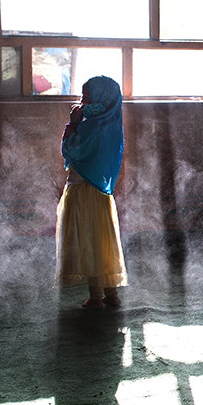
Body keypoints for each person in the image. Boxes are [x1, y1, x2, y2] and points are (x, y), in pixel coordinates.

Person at [56, 74, 127, 309]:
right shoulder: (111, 124)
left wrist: (73, 123)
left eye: (87, 97)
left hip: (83, 192)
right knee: (102, 242)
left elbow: (70, 150)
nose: (83, 103)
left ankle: (96, 297)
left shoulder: (91, 127)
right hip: (100, 195)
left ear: (101, 99)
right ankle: (111, 293)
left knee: (88, 243)